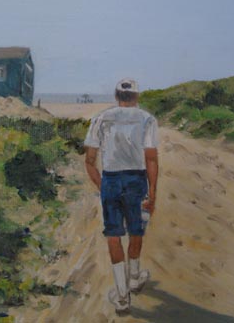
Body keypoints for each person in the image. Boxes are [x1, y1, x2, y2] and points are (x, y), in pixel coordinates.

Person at [83, 78, 159, 315]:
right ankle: (134, 277)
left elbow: (89, 161)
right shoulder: (147, 119)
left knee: (114, 235)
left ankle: (122, 296)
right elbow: (151, 159)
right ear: (136, 96)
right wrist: (153, 192)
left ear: (116, 96)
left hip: (111, 179)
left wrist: (103, 186)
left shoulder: (101, 118)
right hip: (137, 179)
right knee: (136, 229)